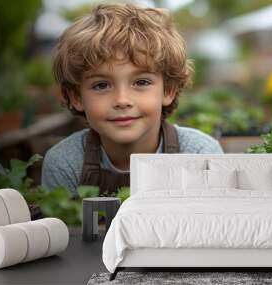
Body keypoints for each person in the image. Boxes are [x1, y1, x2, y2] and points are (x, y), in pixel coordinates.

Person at [41, 4, 224, 198]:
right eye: (101, 85)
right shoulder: (66, 164)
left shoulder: (200, 155)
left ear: (168, 90)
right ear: (76, 97)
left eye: (141, 82)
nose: (122, 100)